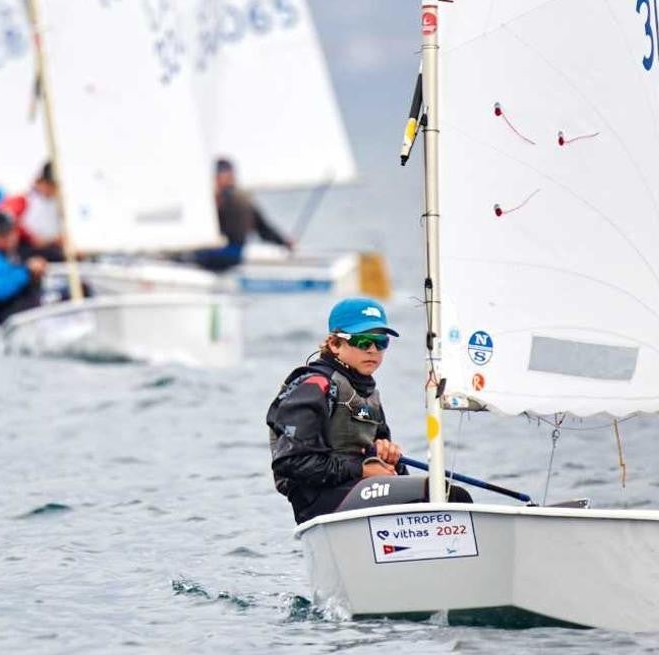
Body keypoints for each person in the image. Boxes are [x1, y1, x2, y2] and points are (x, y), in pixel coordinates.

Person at [265, 298, 473, 524]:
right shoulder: (313, 386)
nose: (373, 350)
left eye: (381, 342)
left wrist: (389, 458)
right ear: (335, 344)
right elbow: (291, 462)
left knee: (446, 495)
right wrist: (362, 470)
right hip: (318, 503)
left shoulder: (369, 394)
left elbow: (378, 464)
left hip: (360, 492)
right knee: (442, 494)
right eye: (363, 341)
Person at [192, 158, 295, 271]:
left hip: (227, 252)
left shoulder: (223, 199)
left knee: (189, 256)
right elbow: (264, 229)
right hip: (237, 252)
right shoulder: (246, 198)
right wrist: (284, 242)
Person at [0, 210, 49, 325]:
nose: (11, 237)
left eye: (12, 231)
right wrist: (27, 271)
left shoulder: (14, 253)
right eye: (3, 234)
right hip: (17, 319)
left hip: (34, 312)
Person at [0, 162, 68, 263]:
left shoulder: (57, 203)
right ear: (42, 182)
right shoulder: (25, 199)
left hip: (51, 249)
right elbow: (6, 218)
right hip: (28, 249)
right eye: (49, 185)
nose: (51, 190)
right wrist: (30, 237)